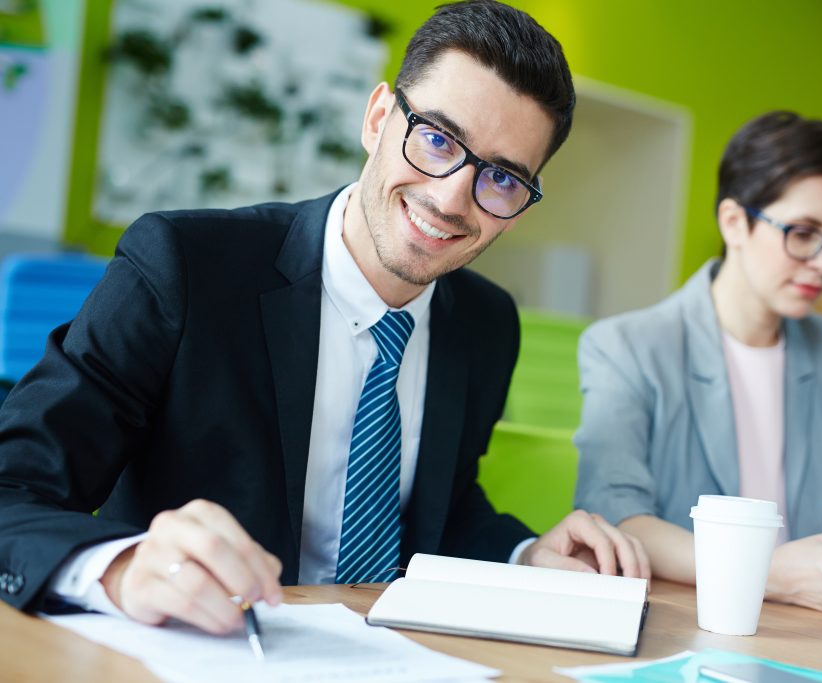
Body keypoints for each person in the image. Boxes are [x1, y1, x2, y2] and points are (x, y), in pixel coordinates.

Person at [0, 0, 648, 634]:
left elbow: (436, 507)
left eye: (502, 178)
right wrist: (120, 566)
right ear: (377, 119)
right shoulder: (184, 266)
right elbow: (13, 488)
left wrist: (526, 554)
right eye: (437, 138)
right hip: (207, 647)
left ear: (524, 204)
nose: (452, 197)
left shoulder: (487, 322)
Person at [573, 111, 822, 615]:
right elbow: (615, 516)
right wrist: (761, 573)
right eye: (804, 233)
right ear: (734, 222)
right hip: (682, 621)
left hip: (809, 628)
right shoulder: (628, 346)